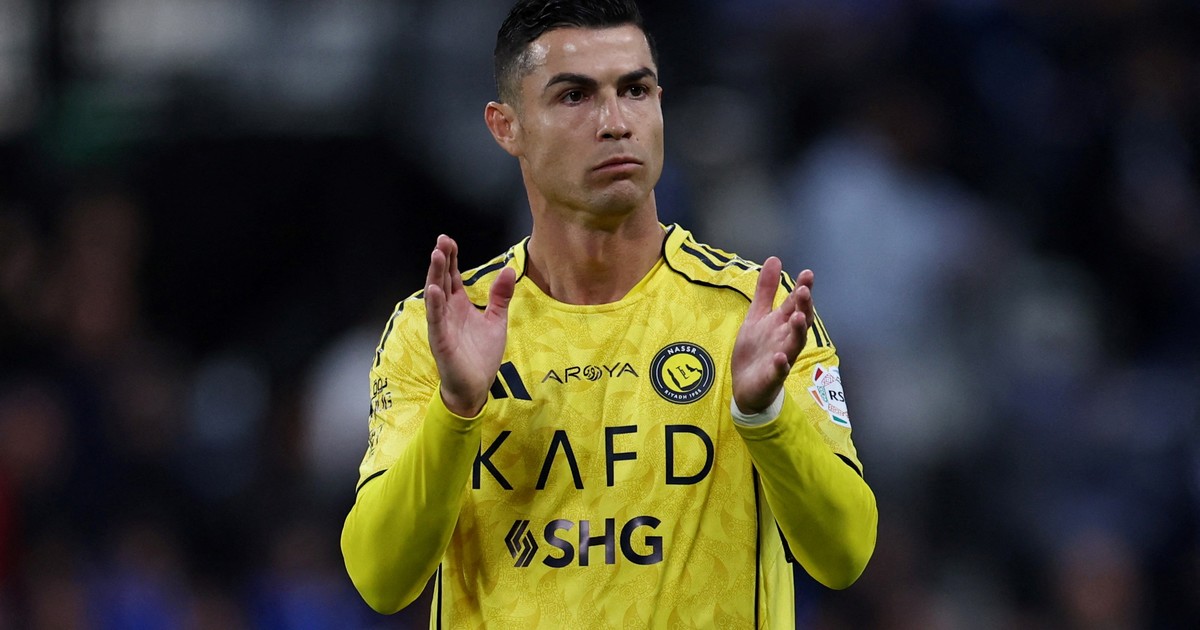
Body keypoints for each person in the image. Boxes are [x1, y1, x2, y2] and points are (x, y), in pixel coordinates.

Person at [340, 0, 877, 626]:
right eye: (575, 96)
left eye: (635, 90)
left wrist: (765, 416)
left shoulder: (752, 312)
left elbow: (845, 556)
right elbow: (380, 580)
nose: (617, 122)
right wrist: (457, 409)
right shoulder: (438, 330)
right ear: (506, 127)